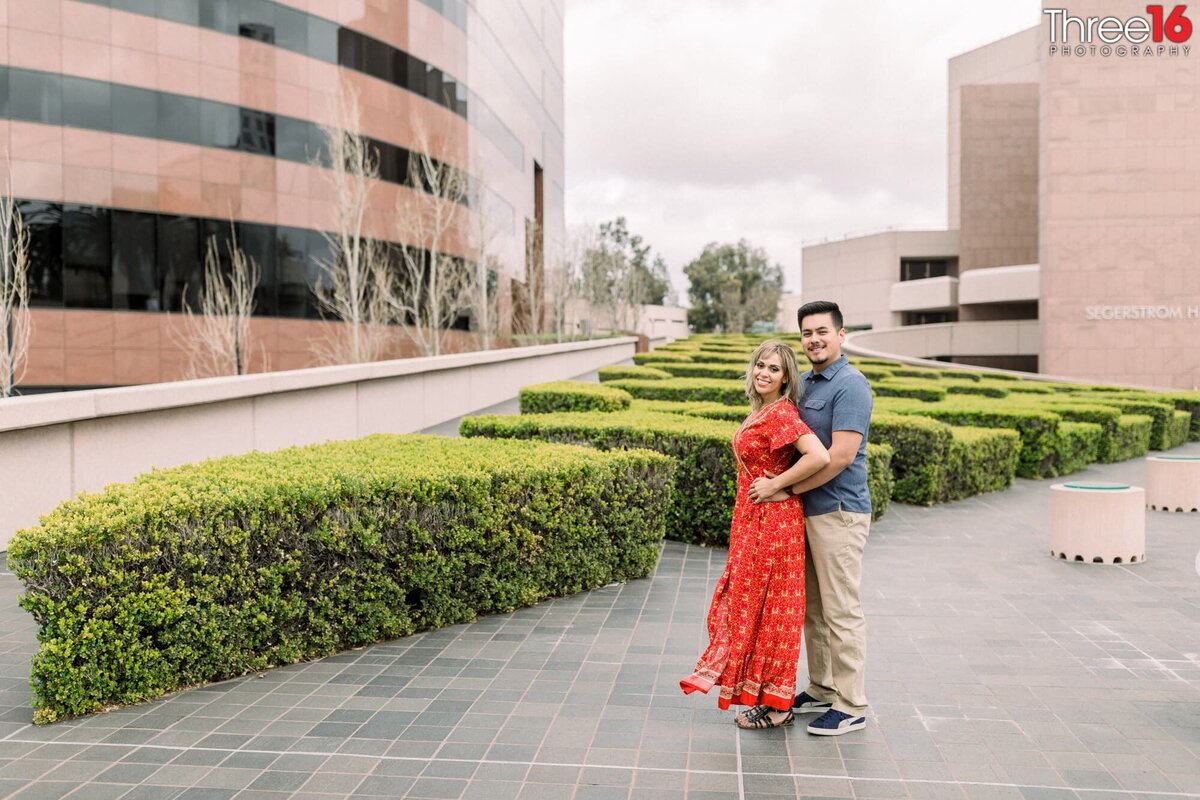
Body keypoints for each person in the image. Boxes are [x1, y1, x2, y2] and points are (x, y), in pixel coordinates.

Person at [681, 340, 830, 729]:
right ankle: (767, 695)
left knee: (774, 610)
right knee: (752, 605)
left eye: (774, 369)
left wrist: (777, 484)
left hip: (773, 522)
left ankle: (780, 705)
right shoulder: (762, 410)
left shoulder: (781, 413)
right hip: (752, 520)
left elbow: (820, 456)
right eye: (760, 365)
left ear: (786, 379)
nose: (764, 372)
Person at [753, 300, 873, 736]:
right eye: (806, 333)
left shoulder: (851, 385)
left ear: (841, 335)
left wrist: (783, 487)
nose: (814, 339)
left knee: (841, 609)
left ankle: (852, 703)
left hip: (838, 511)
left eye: (822, 331)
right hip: (804, 511)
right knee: (814, 610)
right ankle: (823, 689)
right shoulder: (804, 383)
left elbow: (839, 457)